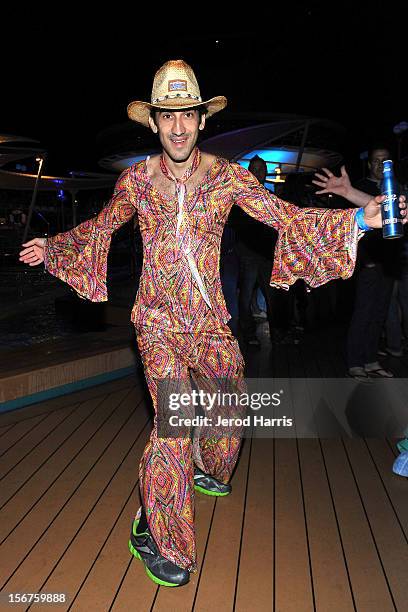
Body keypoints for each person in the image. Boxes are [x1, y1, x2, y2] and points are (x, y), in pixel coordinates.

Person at [19, 60, 407, 587]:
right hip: (156, 322)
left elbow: (285, 218)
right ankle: (157, 533)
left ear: (202, 120)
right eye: (167, 116)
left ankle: (203, 467)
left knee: (230, 410)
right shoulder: (136, 179)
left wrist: (360, 219)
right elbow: (99, 229)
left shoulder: (226, 176)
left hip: (208, 321)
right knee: (174, 426)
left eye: (187, 115)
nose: (177, 127)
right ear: (153, 122)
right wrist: (54, 246)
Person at [234, 155, 277, 346]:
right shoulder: (241, 196)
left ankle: (277, 333)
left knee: (272, 295)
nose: (258, 172)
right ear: (249, 172)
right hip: (248, 252)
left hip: (267, 254)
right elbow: (238, 225)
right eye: (255, 169)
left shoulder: (270, 196)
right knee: (246, 294)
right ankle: (249, 333)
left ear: (266, 172)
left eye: (261, 169)